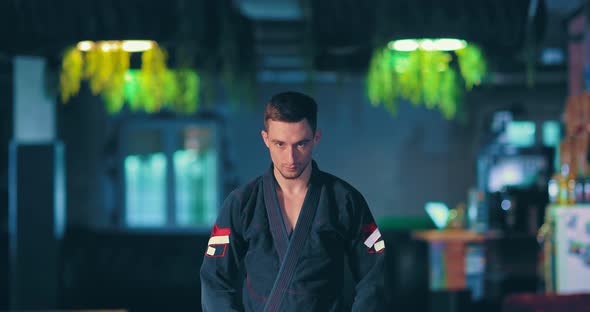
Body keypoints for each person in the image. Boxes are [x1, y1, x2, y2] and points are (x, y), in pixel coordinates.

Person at [200, 91, 387, 311]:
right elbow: (215, 279)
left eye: (301, 144)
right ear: (265, 139)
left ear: (316, 138)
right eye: (280, 144)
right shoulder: (242, 203)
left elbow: (374, 274)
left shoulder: (344, 200)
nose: (290, 158)